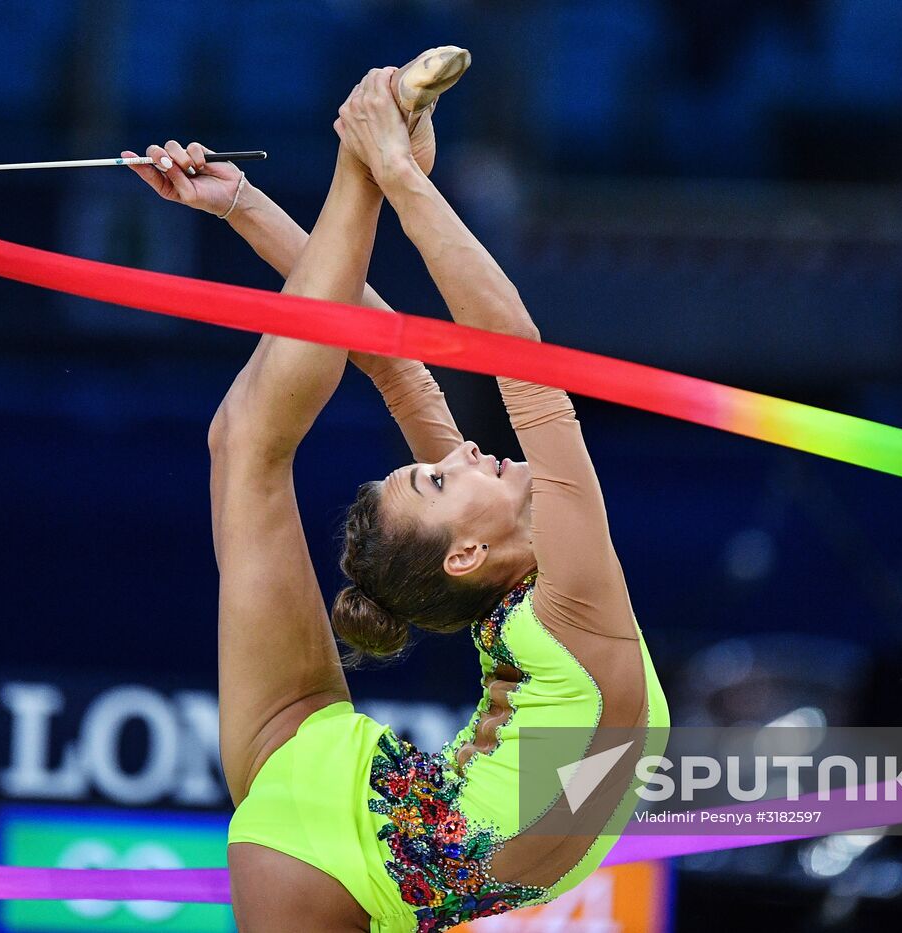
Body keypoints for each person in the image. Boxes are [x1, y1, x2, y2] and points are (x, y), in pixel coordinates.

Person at [125, 46, 668, 933]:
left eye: (436, 471)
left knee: (244, 443)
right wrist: (337, 184)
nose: (465, 452)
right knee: (242, 442)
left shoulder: (547, 595)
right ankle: (355, 158)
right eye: (441, 473)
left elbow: (463, 363)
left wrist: (355, 182)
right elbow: (453, 367)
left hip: (338, 833)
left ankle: (357, 155)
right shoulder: (561, 594)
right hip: (350, 832)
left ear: (465, 554)